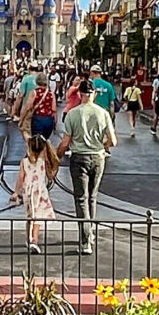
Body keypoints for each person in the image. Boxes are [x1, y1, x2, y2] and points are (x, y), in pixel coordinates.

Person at [57, 80, 118, 254]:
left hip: (79, 158)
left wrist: (56, 156)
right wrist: (101, 144)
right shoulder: (103, 113)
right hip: (98, 157)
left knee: (81, 199)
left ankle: (85, 241)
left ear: (80, 94)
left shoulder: (72, 114)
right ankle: (90, 233)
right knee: (92, 197)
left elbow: (65, 142)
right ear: (94, 94)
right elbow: (112, 141)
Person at [13, 131, 59, 251]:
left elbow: (20, 178)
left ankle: (29, 239)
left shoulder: (24, 162)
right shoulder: (44, 161)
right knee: (37, 216)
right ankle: (34, 240)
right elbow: (50, 176)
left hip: (28, 192)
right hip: (40, 192)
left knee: (30, 216)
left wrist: (16, 192)